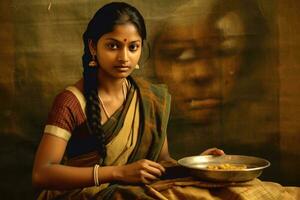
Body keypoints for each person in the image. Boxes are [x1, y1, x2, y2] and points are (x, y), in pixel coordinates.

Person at [32, 2, 224, 199]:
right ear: (93, 47)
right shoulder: (71, 102)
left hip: (132, 191)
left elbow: (162, 162)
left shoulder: (149, 97)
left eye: (133, 47)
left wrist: (194, 166)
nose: (124, 57)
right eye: (113, 46)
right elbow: (42, 174)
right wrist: (118, 172)